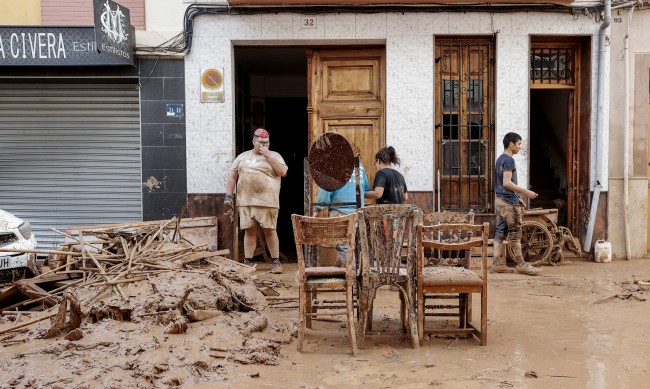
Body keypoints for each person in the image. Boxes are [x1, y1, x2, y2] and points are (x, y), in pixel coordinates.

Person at [224, 128, 288, 274]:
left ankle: (276, 262)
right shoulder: (242, 157)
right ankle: (248, 262)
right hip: (246, 201)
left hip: (268, 201)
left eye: (266, 143)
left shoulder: (275, 156)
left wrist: (268, 156)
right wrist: (228, 195)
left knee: (270, 231)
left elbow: (283, 172)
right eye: (260, 143)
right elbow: (232, 177)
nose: (263, 145)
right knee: (249, 231)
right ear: (253, 141)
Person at [492, 132, 541, 276]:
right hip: (508, 202)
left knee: (500, 231)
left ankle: (496, 264)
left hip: (501, 200)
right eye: (519, 144)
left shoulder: (500, 159)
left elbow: (502, 184)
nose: (520, 147)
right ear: (511, 144)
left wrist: (517, 197)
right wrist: (526, 192)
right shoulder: (509, 160)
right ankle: (521, 264)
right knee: (515, 232)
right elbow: (507, 182)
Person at [313, 147, 370, 267]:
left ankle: (352, 275)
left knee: (343, 245)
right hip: (358, 211)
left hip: (340, 212)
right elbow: (365, 189)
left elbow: (324, 193)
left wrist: (317, 210)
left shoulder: (332, 166)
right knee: (354, 243)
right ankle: (340, 268)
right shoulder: (358, 166)